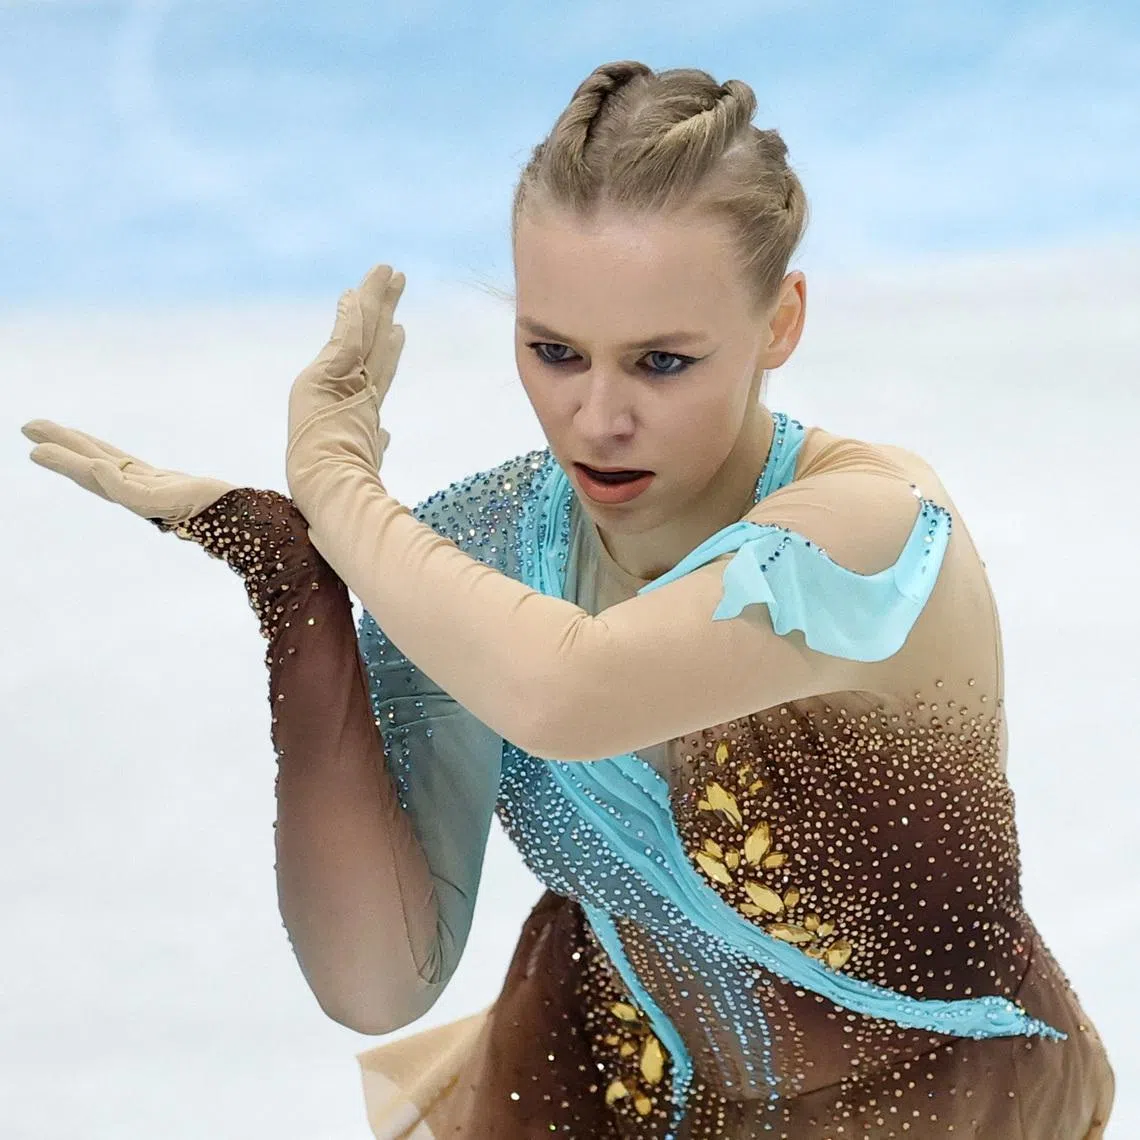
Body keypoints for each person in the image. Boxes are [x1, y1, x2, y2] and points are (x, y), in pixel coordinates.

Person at [22, 60, 1114, 1139]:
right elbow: (377, 976)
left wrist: (337, 485)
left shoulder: (870, 532)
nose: (595, 417)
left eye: (662, 362)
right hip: (616, 1097)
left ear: (780, 322)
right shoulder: (480, 552)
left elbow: (568, 689)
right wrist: (301, 595)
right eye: (553, 352)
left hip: (934, 1110)